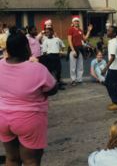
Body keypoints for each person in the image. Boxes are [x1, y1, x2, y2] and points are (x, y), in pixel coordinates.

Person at [0, 27, 57, 166]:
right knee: (31, 161)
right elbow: (52, 89)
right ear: (27, 47)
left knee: (12, 158)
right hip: (29, 119)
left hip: (2, 118)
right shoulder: (37, 69)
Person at [101, 26, 117, 111]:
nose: (107, 32)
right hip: (113, 67)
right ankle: (116, 101)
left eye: (109, 31)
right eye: (107, 30)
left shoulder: (114, 42)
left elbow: (113, 57)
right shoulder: (112, 41)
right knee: (109, 84)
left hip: (115, 67)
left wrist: (105, 68)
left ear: (114, 33)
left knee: (111, 84)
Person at [67, 16, 93, 86]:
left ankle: (79, 79)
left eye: (77, 21)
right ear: (72, 22)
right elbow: (69, 40)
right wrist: (73, 50)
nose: (76, 22)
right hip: (73, 49)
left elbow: (84, 39)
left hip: (80, 49)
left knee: (80, 65)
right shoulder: (71, 29)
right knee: (73, 66)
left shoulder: (80, 30)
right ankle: (73, 80)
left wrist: (89, 30)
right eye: (75, 21)